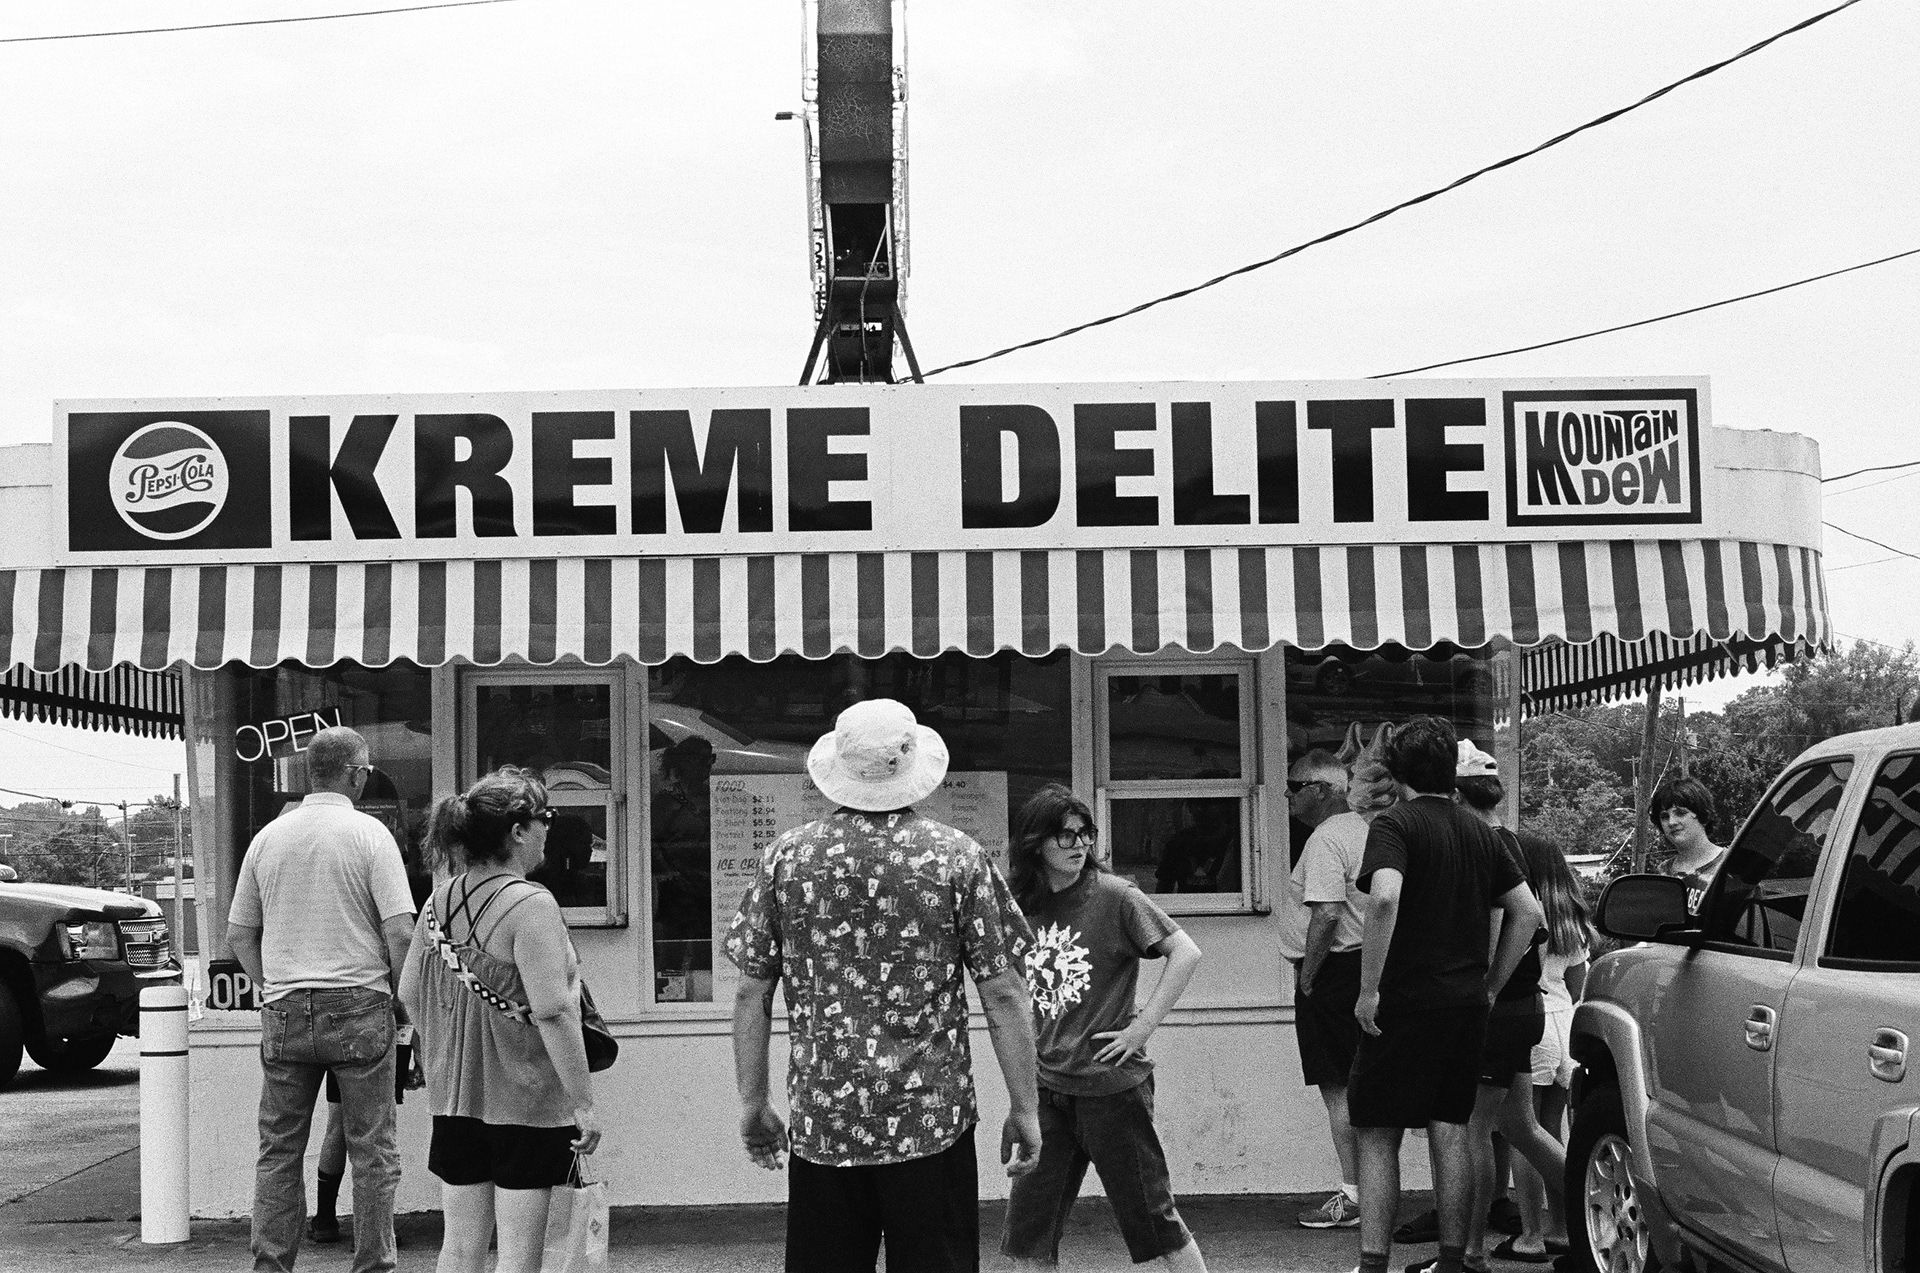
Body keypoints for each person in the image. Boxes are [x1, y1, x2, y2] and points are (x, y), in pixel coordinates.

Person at [726, 698, 1043, 1273]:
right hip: (931, 1118)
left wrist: (753, 1102)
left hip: (825, 1121)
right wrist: (1025, 1106)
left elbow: (752, 992)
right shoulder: (957, 858)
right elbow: (1003, 993)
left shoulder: (786, 859)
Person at [1347, 716, 1545, 1273]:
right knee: (1451, 1127)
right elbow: (1528, 912)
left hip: (1404, 999)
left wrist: (1368, 989)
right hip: (1465, 1003)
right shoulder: (1481, 831)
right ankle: (1454, 1262)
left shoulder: (1394, 824)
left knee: (1376, 1132)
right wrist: (1491, 985)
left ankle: (1373, 1265)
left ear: (1398, 772)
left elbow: (1384, 898)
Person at [398, 767, 601, 1273]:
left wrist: (445, 1050)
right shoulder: (531, 904)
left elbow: (408, 991)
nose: (549, 828)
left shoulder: (439, 901)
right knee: (518, 1255)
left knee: (459, 1247)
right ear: (517, 831)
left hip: (455, 1101)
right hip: (525, 1100)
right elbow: (554, 1011)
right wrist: (583, 1101)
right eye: (545, 817)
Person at [227, 726, 414, 1273]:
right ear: (354, 774)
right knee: (372, 1150)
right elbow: (401, 932)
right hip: (360, 1004)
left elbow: (239, 933)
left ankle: (272, 1265)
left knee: (279, 1149)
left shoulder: (268, 838)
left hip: (286, 1009)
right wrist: (402, 1001)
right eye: (367, 771)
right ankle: (373, 1265)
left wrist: (273, 986)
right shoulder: (370, 835)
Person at [1001, 784, 1209, 1271]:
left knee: (1154, 1220)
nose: (1079, 844)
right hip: (1047, 1087)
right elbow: (1014, 1001)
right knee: (1028, 1230)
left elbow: (1185, 952)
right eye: (1065, 835)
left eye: (1085, 833)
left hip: (1110, 1088)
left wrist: (1141, 1029)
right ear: (1035, 843)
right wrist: (1020, 1099)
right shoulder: (1021, 904)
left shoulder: (1115, 896)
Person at [1446, 744, 1564, 1273]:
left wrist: (1488, 987)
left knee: (1473, 1131)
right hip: (1526, 1005)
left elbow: (1520, 917)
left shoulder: (1482, 846)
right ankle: (1593, 1211)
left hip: (1501, 1009)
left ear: (1455, 796)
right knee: (1521, 1128)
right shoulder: (1512, 841)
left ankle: (1469, 1254)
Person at [1276, 747, 1362, 1230]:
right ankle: (1366, 1190)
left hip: (1335, 973)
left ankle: (1353, 1194)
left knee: (1339, 1088)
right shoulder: (1362, 830)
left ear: (1324, 790)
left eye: (1296, 786)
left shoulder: (1328, 837)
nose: (1288, 795)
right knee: (1357, 1085)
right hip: (1357, 970)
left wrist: (1308, 976)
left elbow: (1328, 913)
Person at [1508, 831, 1594, 1262]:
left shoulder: (1522, 911)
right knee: (1551, 1128)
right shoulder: (1570, 915)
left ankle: (1530, 1235)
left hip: (1533, 1021)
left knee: (1522, 1134)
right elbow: (1578, 983)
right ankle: (1561, 1228)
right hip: (1564, 1024)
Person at [1648, 775, 1727, 915]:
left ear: (1704, 815)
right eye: (1664, 816)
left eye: (1680, 813)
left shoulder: (1730, 866)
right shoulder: (1662, 873)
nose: (1671, 822)